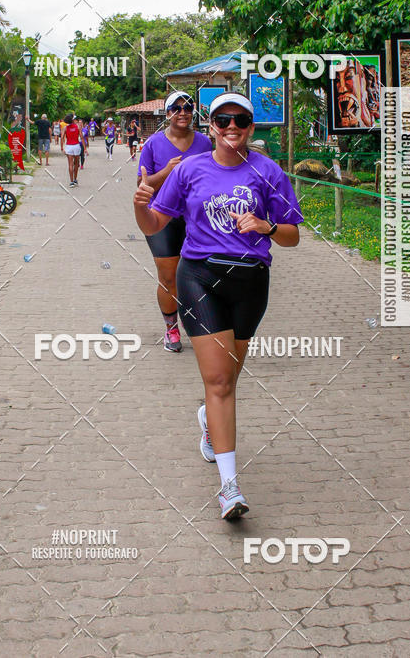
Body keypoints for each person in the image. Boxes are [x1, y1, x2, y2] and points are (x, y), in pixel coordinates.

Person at [134, 93, 303, 521]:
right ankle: (229, 487)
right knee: (221, 383)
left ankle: (209, 421)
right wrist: (140, 209)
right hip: (199, 277)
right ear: (211, 126)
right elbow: (155, 222)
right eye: (223, 120)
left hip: (250, 283)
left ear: (251, 127)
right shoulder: (189, 169)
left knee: (229, 377)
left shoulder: (269, 172)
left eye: (240, 120)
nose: (231, 127)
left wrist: (266, 226)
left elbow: (292, 236)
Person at [137, 91, 211, 353]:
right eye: (176, 108)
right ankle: (171, 328)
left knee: (200, 276)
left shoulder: (204, 143)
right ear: (167, 113)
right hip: (162, 219)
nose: (183, 112)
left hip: (197, 219)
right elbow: (142, 184)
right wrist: (168, 171)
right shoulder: (153, 144)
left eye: (188, 108)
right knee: (169, 278)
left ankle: (203, 326)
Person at [61, 113, 81, 185]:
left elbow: (62, 137)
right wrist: (85, 148)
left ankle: (71, 181)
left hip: (69, 146)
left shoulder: (65, 128)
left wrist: (62, 147)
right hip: (76, 146)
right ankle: (75, 179)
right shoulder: (78, 127)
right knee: (76, 164)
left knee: (70, 164)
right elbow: (81, 137)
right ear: (72, 120)